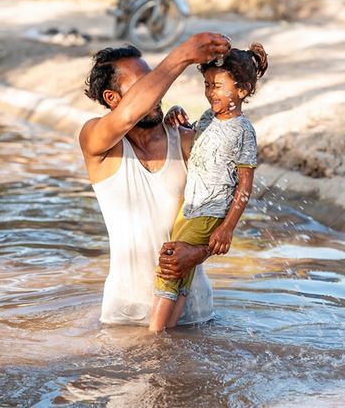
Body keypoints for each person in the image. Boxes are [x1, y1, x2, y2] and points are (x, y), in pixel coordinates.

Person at [79, 32, 231, 325]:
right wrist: (181, 55)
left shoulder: (187, 141)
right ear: (113, 99)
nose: (157, 91)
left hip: (195, 314)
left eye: (155, 80)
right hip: (126, 317)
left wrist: (197, 254)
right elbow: (125, 119)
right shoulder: (97, 142)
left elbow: (221, 219)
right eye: (144, 85)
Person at [149, 43, 269, 332]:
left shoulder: (243, 131)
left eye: (217, 86)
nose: (210, 92)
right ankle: (169, 335)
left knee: (169, 268)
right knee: (181, 274)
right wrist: (176, 118)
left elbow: (245, 185)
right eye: (207, 85)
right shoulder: (207, 117)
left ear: (242, 90)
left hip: (209, 211)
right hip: (189, 207)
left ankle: (152, 337)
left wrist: (227, 228)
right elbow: (196, 143)